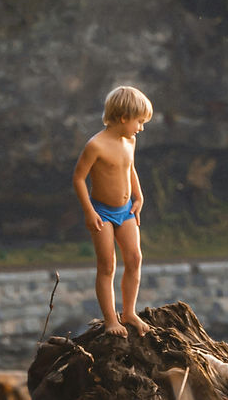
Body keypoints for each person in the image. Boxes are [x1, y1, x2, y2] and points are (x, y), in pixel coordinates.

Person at [72, 85, 153, 337]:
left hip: (126, 210)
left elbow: (130, 168)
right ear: (122, 118)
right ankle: (110, 320)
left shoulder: (130, 140)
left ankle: (129, 312)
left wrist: (138, 196)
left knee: (135, 258)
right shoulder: (96, 145)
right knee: (107, 264)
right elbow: (78, 179)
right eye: (139, 122)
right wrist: (88, 212)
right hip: (102, 212)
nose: (141, 127)